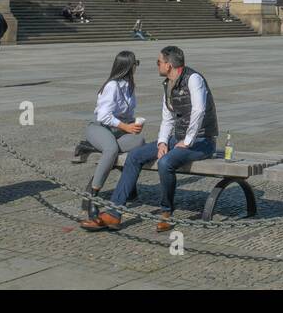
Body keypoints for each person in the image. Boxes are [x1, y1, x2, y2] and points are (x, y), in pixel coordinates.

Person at [101, 46, 220, 232]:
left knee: (165, 163)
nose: (157, 65)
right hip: (178, 138)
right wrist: (163, 141)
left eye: (159, 62)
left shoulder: (194, 79)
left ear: (169, 64)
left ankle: (166, 212)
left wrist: (188, 141)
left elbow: (199, 110)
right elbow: (168, 118)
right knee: (135, 156)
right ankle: (114, 212)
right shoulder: (168, 84)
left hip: (202, 141)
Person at [74, 51, 148, 231]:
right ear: (128, 66)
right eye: (135, 63)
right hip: (99, 127)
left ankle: (90, 146)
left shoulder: (129, 87)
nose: (136, 67)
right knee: (111, 150)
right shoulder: (112, 86)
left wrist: (133, 126)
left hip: (117, 131)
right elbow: (103, 116)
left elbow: (128, 115)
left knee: (139, 142)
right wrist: (125, 127)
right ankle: (94, 196)